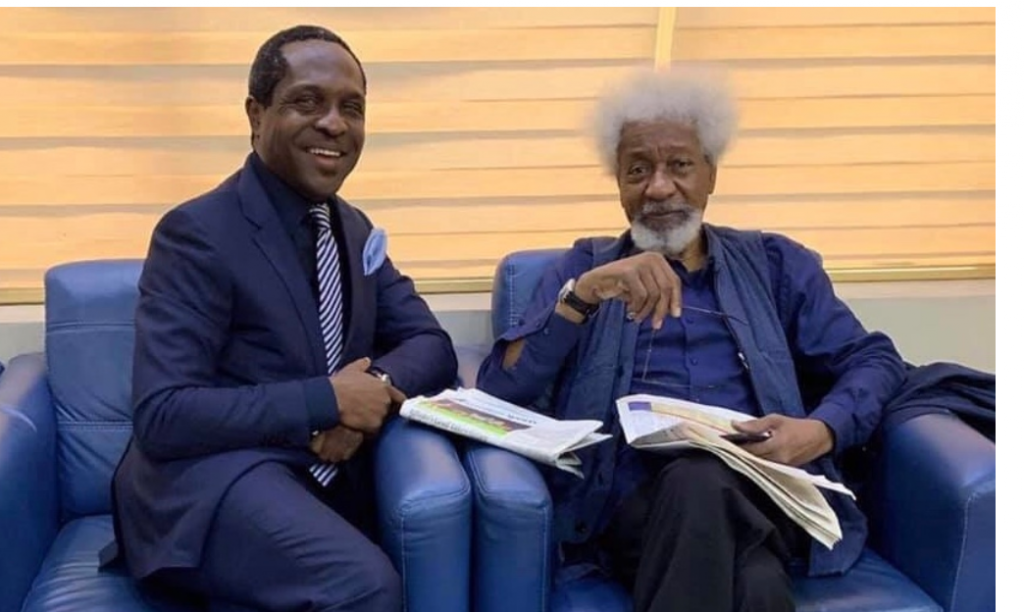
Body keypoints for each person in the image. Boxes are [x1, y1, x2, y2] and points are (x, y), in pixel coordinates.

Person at [475, 66, 906, 612]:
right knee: (753, 577)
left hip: (766, 485)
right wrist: (583, 296)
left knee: (703, 485)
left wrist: (821, 431)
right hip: (631, 502)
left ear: (711, 174)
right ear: (619, 183)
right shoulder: (584, 268)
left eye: (679, 165)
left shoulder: (775, 264)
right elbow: (501, 389)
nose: (658, 188)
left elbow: (873, 359)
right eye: (637, 170)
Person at [109, 25, 458, 612]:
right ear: (256, 114)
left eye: (352, 108)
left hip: (318, 477)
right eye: (307, 101)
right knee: (365, 587)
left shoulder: (354, 230)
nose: (334, 124)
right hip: (213, 480)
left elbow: (430, 343)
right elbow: (164, 414)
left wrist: (369, 393)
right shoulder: (197, 233)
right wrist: (327, 400)